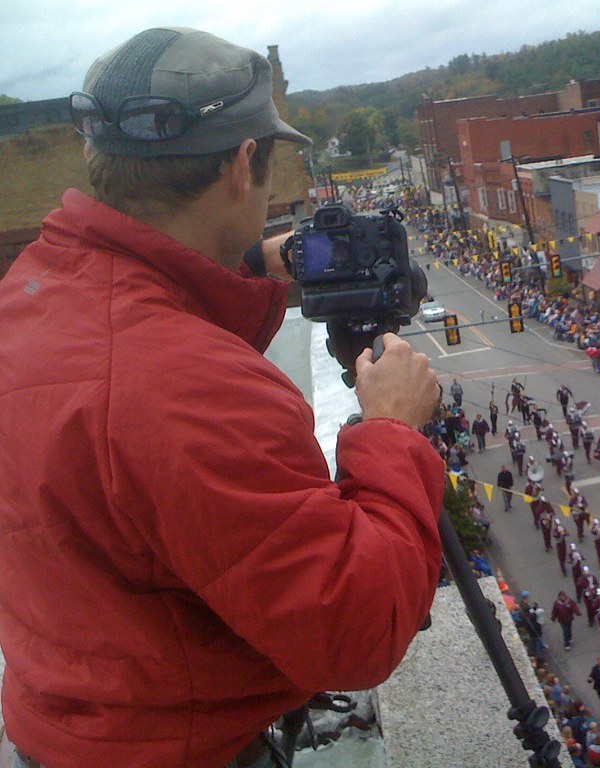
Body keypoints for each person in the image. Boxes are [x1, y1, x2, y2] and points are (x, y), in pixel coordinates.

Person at [0, 27, 447, 768]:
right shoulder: (196, 388)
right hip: (188, 748)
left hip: (71, 719)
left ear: (99, 156)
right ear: (244, 165)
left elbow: (125, 328)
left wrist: (239, 264)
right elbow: (358, 633)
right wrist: (393, 429)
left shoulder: (27, 296)